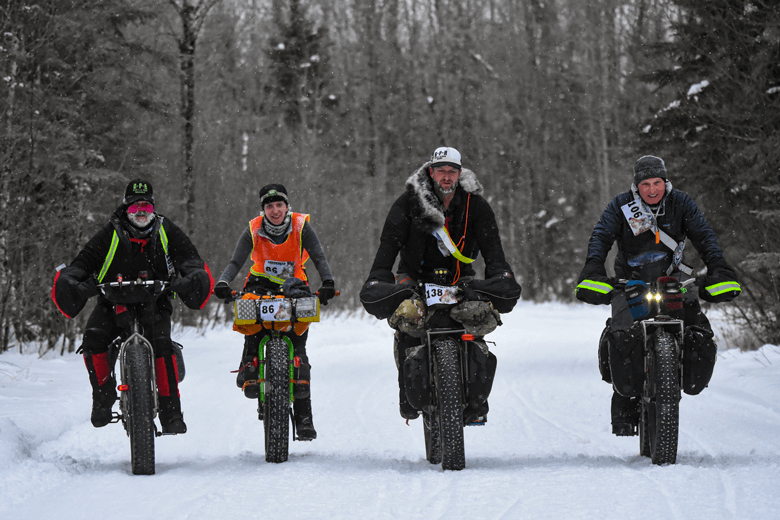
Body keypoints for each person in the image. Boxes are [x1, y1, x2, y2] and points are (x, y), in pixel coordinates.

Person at [575, 155, 741, 436]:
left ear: (666, 182)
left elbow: (704, 237)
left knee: (695, 326)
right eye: (645, 184)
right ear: (636, 186)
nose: (652, 190)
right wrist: (593, 268)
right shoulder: (620, 206)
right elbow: (601, 238)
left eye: (657, 183)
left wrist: (719, 267)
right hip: (630, 281)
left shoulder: (682, 203)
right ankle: (625, 403)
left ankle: (685, 372)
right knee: (623, 333)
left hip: (674, 279)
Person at [362, 146, 520, 423]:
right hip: (413, 277)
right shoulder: (408, 203)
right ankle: (407, 395)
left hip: (461, 278)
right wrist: (379, 278)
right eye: (441, 171)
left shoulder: (476, 205)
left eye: (451, 171)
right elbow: (388, 245)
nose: (446, 177)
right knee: (409, 322)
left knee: (476, 317)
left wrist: (500, 277)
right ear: (430, 172)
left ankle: (476, 401)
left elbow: (493, 248)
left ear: (459, 174)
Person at [52, 179, 214, 433]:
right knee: (93, 339)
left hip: (154, 302)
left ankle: (171, 413)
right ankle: (103, 397)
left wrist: (190, 276)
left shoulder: (165, 229)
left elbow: (189, 257)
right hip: (113, 302)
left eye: (146, 207)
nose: (141, 212)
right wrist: (74, 280)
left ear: (153, 209)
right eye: (135, 207)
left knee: (162, 346)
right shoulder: (110, 232)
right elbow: (85, 261)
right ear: (125, 208)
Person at [213, 184, 336, 441]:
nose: (275, 210)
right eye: (269, 206)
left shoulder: (301, 226)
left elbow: (319, 257)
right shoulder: (253, 228)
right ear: (263, 210)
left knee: (298, 342)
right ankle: (249, 362)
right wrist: (224, 282)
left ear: (287, 206)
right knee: (252, 323)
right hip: (259, 284)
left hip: (294, 285)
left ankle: (304, 419)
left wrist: (327, 282)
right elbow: (236, 261)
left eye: (279, 205)